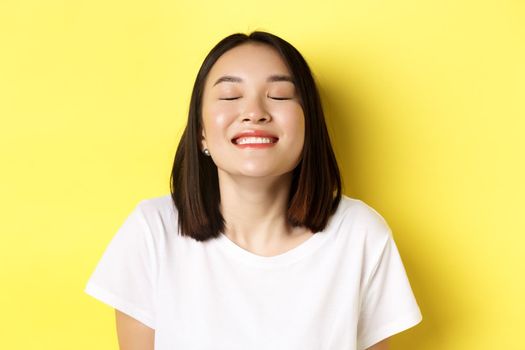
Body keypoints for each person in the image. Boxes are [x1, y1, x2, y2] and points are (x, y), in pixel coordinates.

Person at [84, 31, 422, 350]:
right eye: (231, 96)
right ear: (201, 132)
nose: (254, 113)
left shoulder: (360, 234)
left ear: (309, 126)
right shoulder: (151, 231)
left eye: (279, 96)